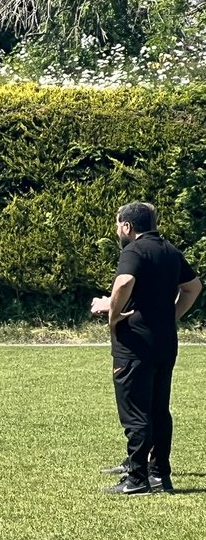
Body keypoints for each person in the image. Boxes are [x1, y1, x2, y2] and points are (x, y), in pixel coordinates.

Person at [90, 201, 200, 494]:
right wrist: (170, 316)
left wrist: (112, 314)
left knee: (135, 410)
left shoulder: (134, 250)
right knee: (158, 408)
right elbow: (193, 287)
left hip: (135, 343)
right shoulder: (169, 250)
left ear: (127, 226)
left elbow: (124, 281)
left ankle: (136, 478)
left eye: (118, 224)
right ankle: (159, 475)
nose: (117, 230)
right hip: (164, 341)